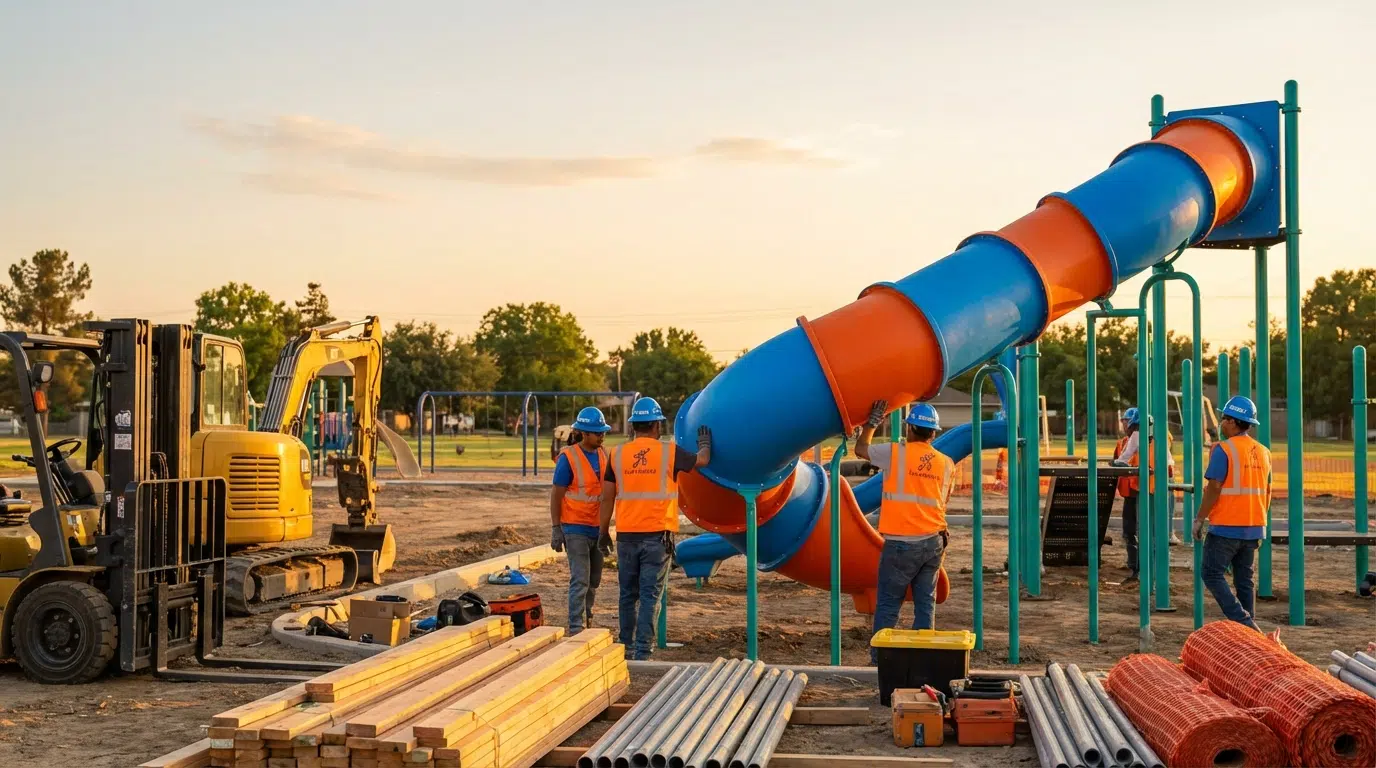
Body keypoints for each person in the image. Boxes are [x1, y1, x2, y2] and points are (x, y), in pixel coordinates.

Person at [598, 396, 711, 660]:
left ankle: (625, 647)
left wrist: (603, 532)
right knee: (650, 595)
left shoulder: (617, 454)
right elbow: (702, 461)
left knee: (628, 594)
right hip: (657, 538)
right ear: (657, 426)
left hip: (626, 537)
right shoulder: (669, 452)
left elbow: (607, 496)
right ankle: (642, 651)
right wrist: (704, 444)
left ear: (634, 426)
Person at [855, 400, 955, 664]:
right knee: (925, 602)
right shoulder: (947, 464)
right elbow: (942, 500)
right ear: (934, 433)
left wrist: (871, 425)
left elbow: (861, 449)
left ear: (910, 428)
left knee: (889, 603)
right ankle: (922, 659)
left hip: (902, 543)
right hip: (935, 541)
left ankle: (882, 660)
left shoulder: (895, 453)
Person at [1193, 395, 1271, 632]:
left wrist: (1199, 519)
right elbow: (1266, 491)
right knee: (1244, 580)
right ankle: (1248, 635)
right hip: (1254, 525)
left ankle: (1245, 624)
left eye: (1224, 419)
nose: (1221, 423)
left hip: (1227, 525)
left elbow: (1214, 487)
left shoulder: (1224, 450)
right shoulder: (1263, 451)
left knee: (1211, 572)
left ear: (1233, 422)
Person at [549, 407, 611, 634]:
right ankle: (576, 627)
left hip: (598, 528)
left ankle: (588, 619)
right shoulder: (569, 458)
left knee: (594, 580)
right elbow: (556, 493)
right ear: (584, 433)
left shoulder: (605, 454)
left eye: (603, 432)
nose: (602, 436)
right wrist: (556, 528)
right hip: (575, 527)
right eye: (597, 433)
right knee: (580, 579)